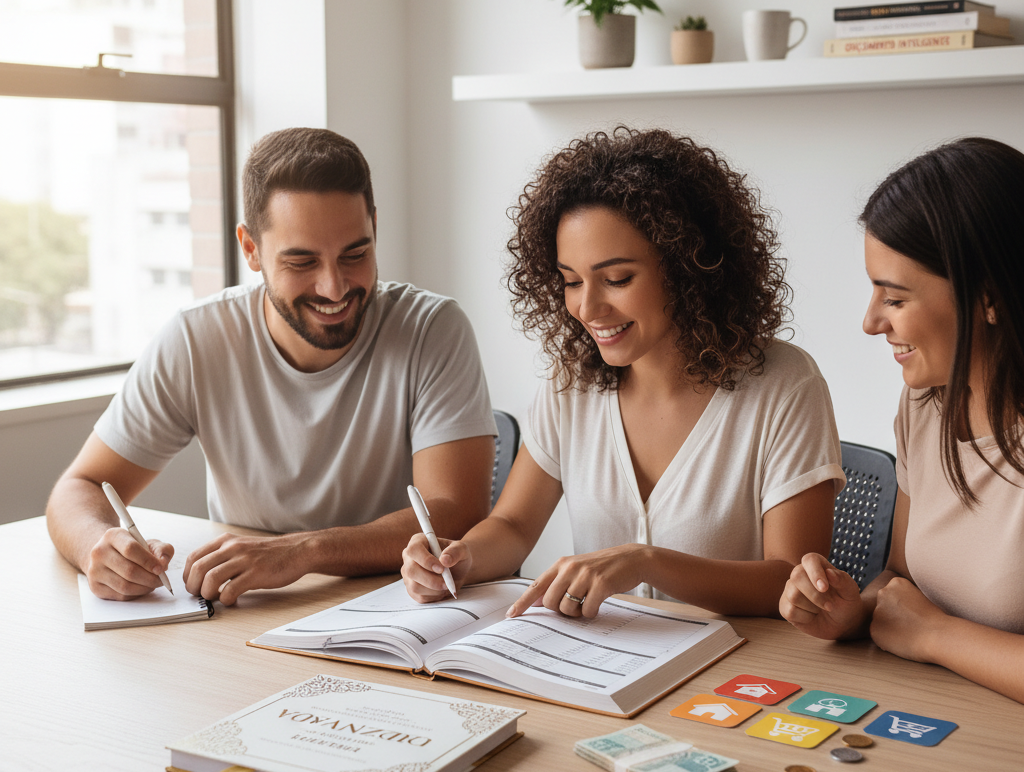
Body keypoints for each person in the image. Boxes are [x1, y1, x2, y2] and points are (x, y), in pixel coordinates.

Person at [402, 127, 845, 617]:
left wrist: (647, 562)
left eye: (616, 279)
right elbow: (512, 526)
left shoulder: (784, 385)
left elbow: (790, 579)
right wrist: (460, 558)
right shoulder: (572, 384)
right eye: (571, 281)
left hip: (736, 670)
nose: (587, 307)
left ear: (688, 267)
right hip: (606, 668)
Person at [48, 128, 496, 605]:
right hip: (246, 610)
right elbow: (80, 486)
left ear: (375, 228)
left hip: (394, 608)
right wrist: (98, 546)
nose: (334, 287)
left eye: (356, 254)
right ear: (251, 249)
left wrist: (302, 551)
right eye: (302, 262)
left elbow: (456, 512)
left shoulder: (432, 329)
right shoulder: (197, 339)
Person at [780, 137, 1024, 704]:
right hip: (942, 722)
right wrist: (851, 611)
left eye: (894, 298)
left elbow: (922, 623)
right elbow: (900, 580)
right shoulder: (924, 405)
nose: (870, 322)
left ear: (989, 296)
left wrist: (935, 635)